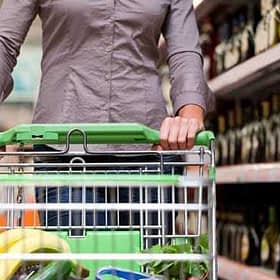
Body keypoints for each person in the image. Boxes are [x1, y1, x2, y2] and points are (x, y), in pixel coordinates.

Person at [0, 1, 214, 232]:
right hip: (64, 152)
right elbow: (4, 43)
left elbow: (184, 52)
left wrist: (189, 115)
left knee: (145, 264)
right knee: (79, 265)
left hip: (149, 152)